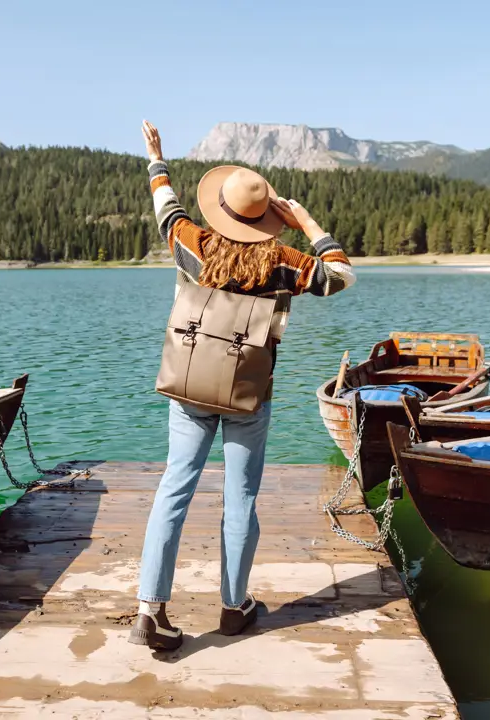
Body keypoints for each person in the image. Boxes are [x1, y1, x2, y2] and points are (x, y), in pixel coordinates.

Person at [130, 121, 356, 651]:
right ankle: (234, 608)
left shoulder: (194, 244)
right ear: (265, 219)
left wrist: (156, 157)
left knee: (173, 489)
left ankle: (150, 611)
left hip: (188, 389)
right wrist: (304, 221)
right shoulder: (282, 262)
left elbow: (166, 206)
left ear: (220, 211)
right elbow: (341, 274)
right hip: (248, 395)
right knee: (241, 498)